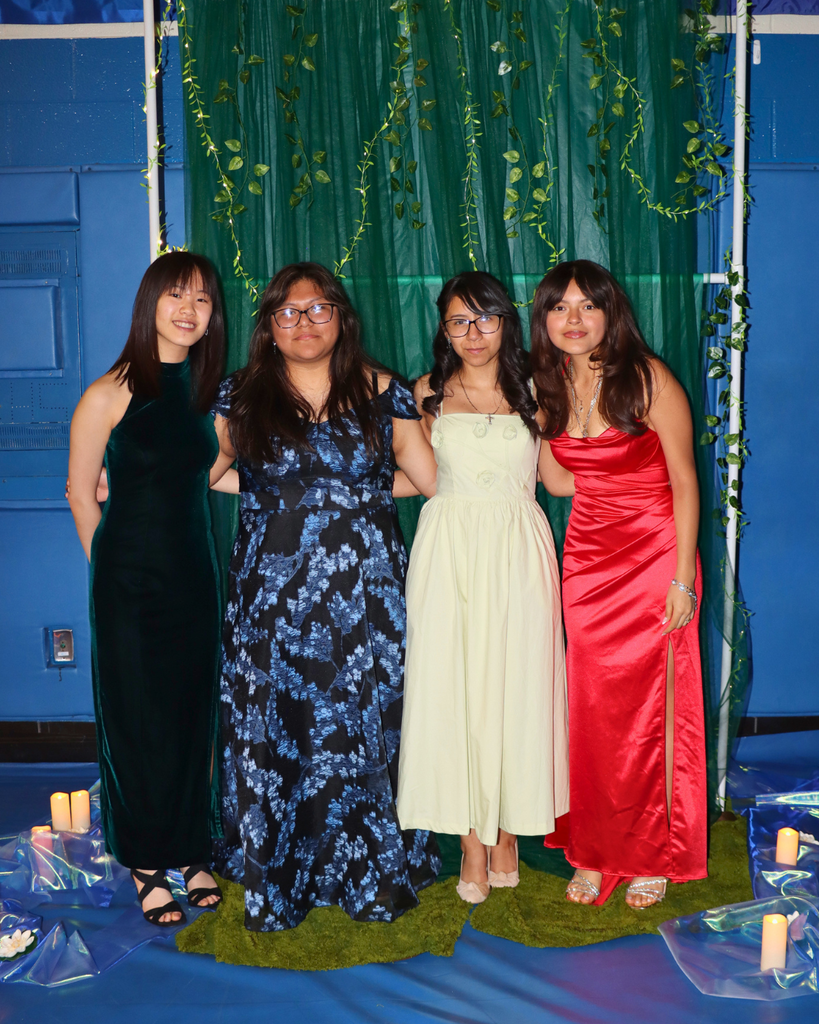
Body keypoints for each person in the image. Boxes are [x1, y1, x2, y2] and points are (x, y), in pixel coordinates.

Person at [208, 261, 441, 932]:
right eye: (287, 312)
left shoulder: (384, 392)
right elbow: (210, 473)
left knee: (360, 723)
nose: (304, 323)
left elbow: (428, 481)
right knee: (275, 726)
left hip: (363, 595)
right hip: (269, 596)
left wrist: (350, 494)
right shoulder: (240, 395)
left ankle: (370, 870)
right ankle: (276, 867)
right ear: (268, 326)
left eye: (317, 309)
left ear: (341, 317)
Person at [530, 259, 707, 908]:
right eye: (559, 307)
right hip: (586, 562)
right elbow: (557, 482)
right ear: (544, 319)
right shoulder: (549, 384)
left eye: (587, 306)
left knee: (652, 711)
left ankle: (652, 853)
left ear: (611, 312)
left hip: (656, 556)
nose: (573, 320)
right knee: (593, 712)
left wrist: (682, 578)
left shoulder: (647, 377)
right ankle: (595, 850)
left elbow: (685, 480)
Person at [396, 271, 570, 903]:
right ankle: (471, 838)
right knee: (454, 688)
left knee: (517, 686)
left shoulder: (539, 389)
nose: (473, 333)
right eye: (458, 321)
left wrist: (637, 477)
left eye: (485, 319)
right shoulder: (425, 393)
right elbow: (414, 477)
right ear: (444, 329)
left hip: (519, 546)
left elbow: (557, 480)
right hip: (448, 548)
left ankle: (508, 831)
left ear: (506, 322)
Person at [67, 252, 227, 926]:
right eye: (176, 296)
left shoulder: (211, 392)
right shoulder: (107, 393)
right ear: (149, 304)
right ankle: (144, 860)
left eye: (202, 300)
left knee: (192, 715)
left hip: (194, 577)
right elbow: (81, 493)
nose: (189, 310)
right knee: (136, 721)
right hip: (127, 583)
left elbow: (209, 471)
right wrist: (108, 573)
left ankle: (192, 850)